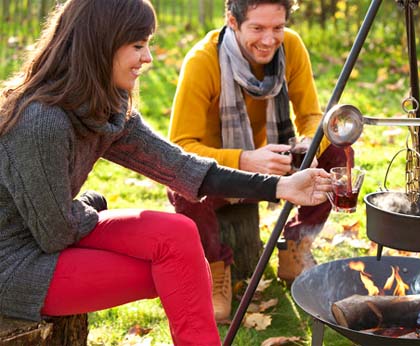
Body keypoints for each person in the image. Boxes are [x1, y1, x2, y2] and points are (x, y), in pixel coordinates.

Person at [0, 1, 332, 345]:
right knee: (181, 271)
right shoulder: (41, 122)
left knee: (179, 235)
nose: (148, 59)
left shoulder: (105, 107)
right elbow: (55, 232)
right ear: (101, 44)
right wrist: (89, 207)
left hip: (52, 230)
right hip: (17, 265)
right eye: (138, 46)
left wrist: (283, 186)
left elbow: (182, 168)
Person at [167, 0, 347, 321]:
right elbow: (180, 148)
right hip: (219, 176)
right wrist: (245, 160)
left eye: (277, 27)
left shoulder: (290, 46)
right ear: (232, 22)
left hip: (273, 165)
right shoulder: (203, 61)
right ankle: (215, 268)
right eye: (258, 28)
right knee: (182, 182)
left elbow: (310, 116)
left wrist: (309, 142)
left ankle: (297, 244)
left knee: (337, 148)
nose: (269, 40)